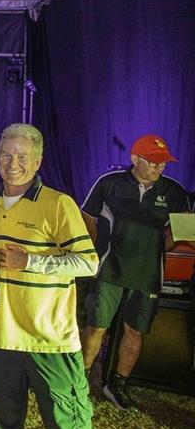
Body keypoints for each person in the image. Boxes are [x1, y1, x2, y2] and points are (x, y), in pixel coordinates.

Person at [0, 123, 98, 429]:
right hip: (2, 338)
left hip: (50, 340)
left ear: (38, 162)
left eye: (23, 157)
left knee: (66, 426)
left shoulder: (58, 204)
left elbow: (89, 263)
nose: (13, 164)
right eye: (6, 155)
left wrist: (30, 261)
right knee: (4, 424)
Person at [80, 134, 191, 411]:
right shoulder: (109, 184)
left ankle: (117, 384)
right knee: (96, 328)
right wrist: (100, 249)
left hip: (148, 275)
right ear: (134, 159)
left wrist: (154, 251)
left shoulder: (174, 192)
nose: (159, 168)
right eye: (153, 162)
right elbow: (88, 218)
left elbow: (180, 232)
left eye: (163, 163)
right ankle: (79, 381)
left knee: (135, 331)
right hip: (109, 271)